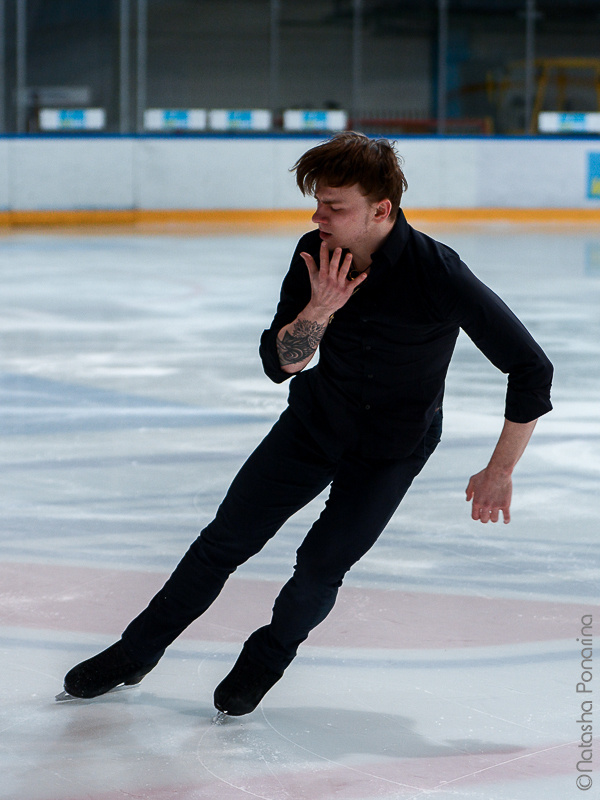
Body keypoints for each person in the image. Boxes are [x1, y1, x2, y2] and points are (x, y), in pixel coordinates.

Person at [61, 132, 553, 715]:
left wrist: (500, 469)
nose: (318, 217)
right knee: (223, 542)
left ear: (381, 210)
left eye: (334, 208)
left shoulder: (437, 273)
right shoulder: (314, 254)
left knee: (321, 565)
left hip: (391, 449)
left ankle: (267, 658)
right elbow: (279, 363)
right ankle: (136, 651)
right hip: (314, 424)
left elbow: (530, 368)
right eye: (317, 204)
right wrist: (319, 308)